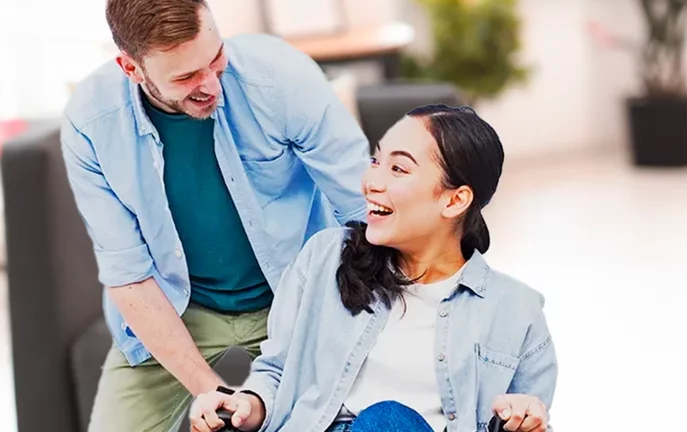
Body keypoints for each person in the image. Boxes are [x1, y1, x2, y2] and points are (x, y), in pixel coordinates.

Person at [60, 0, 370, 430]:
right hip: (177, 308)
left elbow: (364, 207)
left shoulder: (279, 75)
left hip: (294, 294)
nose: (211, 84)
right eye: (187, 77)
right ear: (131, 68)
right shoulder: (91, 121)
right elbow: (128, 274)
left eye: (216, 58)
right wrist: (211, 391)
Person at [189, 105, 558, 432]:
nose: (371, 183)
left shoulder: (516, 311)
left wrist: (527, 420)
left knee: (388, 421)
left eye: (398, 168)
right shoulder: (324, 258)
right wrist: (244, 405)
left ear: (454, 199)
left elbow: (523, 417)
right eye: (376, 162)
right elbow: (277, 372)